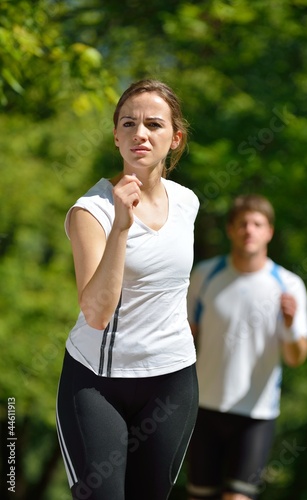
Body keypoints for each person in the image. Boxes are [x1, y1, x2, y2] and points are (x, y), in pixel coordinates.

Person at [56, 79, 200, 500]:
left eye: (154, 124)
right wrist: (121, 225)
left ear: (175, 139)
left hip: (173, 383)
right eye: (129, 123)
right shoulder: (92, 211)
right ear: (116, 136)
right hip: (97, 385)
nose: (140, 133)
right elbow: (97, 313)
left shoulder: (188, 202)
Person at [186, 194, 307, 500]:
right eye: (242, 223)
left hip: (256, 413)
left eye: (257, 224)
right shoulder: (204, 275)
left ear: (269, 231)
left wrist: (292, 323)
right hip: (204, 407)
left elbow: (296, 358)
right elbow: (184, 338)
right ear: (230, 229)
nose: (249, 230)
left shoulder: (288, 285)